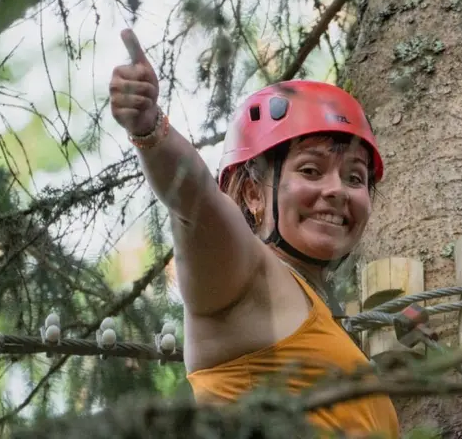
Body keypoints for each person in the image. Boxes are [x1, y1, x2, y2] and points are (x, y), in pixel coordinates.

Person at [109, 29, 400, 437]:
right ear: (251, 193)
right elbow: (197, 204)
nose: (336, 190)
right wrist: (151, 130)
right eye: (311, 170)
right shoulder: (246, 276)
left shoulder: (328, 327)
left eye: (355, 177)